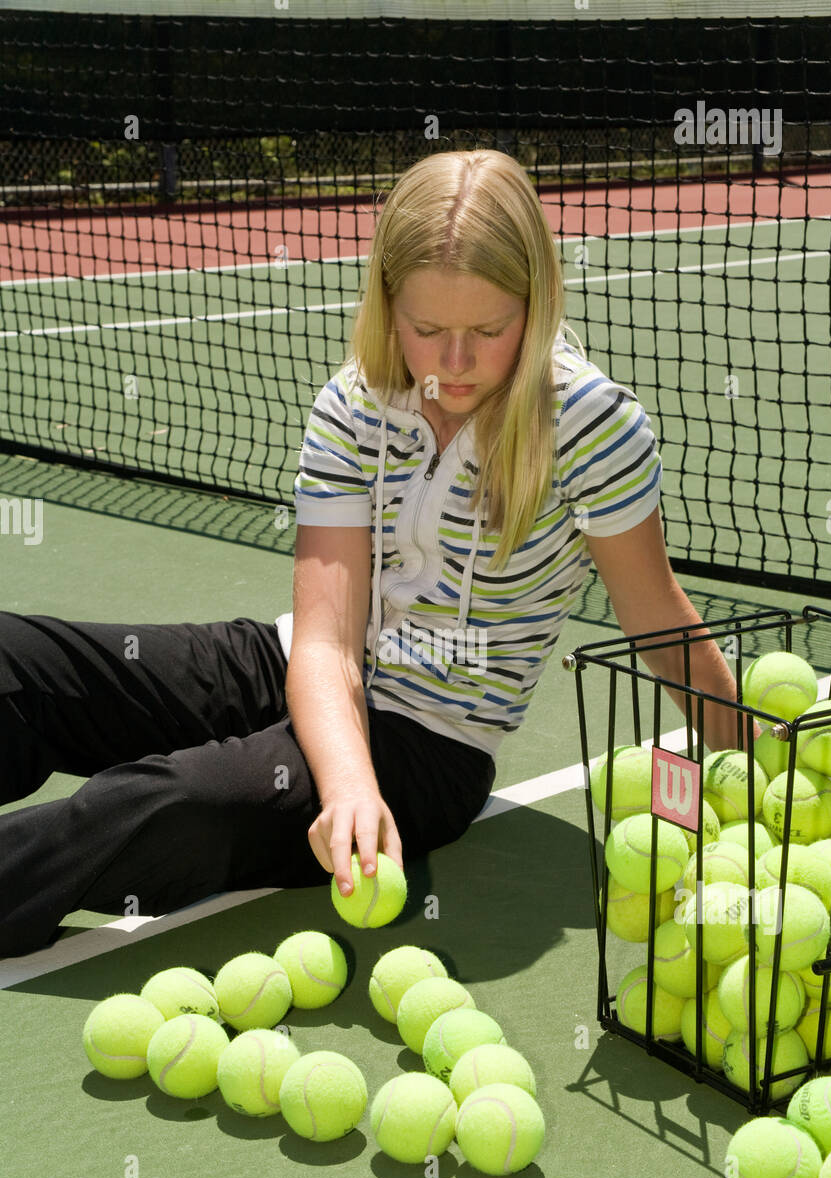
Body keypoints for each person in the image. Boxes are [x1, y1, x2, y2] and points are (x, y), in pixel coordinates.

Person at [0, 149, 771, 958]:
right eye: (427, 329)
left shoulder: (589, 424)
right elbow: (327, 641)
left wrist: (760, 774)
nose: (455, 362)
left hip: (430, 743)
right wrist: (346, 782)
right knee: (21, 659)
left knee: (177, 800)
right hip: (299, 662)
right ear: (388, 304)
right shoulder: (357, 399)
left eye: (490, 329)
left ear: (536, 304)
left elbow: (657, 619)